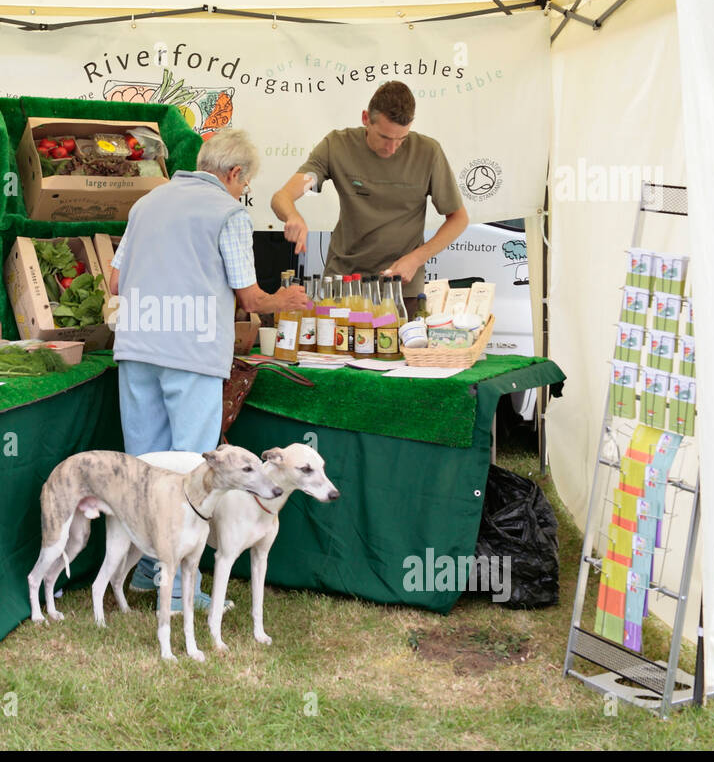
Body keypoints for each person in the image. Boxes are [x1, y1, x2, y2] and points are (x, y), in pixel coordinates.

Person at [109, 128, 309, 610]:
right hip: (192, 351)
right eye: (245, 183)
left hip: (137, 344)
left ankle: (146, 571)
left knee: (146, 467)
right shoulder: (229, 212)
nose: (243, 192)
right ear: (234, 173)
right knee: (197, 468)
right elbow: (249, 296)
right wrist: (283, 300)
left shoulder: (148, 203)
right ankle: (178, 589)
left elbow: (114, 278)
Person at [271, 81, 468, 316]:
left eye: (401, 139)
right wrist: (293, 216)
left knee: (394, 352)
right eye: (384, 137)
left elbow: (458, 219)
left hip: (400, 291)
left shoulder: (428, 152)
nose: (392, 148)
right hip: (342, 286)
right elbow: (282, 197)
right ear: (366, 118)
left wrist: (416, 259)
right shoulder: (337, 146)